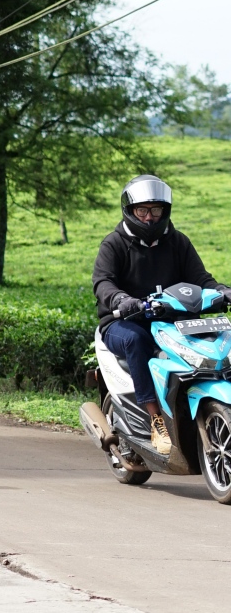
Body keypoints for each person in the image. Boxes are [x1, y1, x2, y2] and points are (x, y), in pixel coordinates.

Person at [94, 175, 230, 453]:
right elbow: (103, 282)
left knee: (216, 339)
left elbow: (201, 279)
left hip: (171, 322)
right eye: (142, 210)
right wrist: (122, 299)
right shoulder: (114, 243)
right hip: (123, 322)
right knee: (137, 341)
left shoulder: (178, 242)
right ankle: (156, 418)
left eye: (155, 210)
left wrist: (222, 291)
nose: (149, 218)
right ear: (129, 210)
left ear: (165, 210)